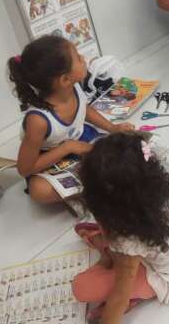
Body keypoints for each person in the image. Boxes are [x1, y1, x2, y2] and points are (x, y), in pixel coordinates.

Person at [72, 133, 169, 324]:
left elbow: (119, 297)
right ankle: (109, 249)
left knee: (82, 287)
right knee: (112, 243)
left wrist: (105, 259)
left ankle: (120, 270)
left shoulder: (127, 237)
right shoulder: (165, 185)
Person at [7, 35, 133, 205]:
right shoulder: (38, 120)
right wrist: (68, 147)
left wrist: (113, 128)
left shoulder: (74, 87)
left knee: (124, 150)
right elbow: (24, 169)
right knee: (40, 191)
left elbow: (84, 109)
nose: (84, 59)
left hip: (80, 140)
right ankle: (93, 188)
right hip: (50, 156)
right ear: (64, 79)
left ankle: (90, 185)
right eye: (78, 58)